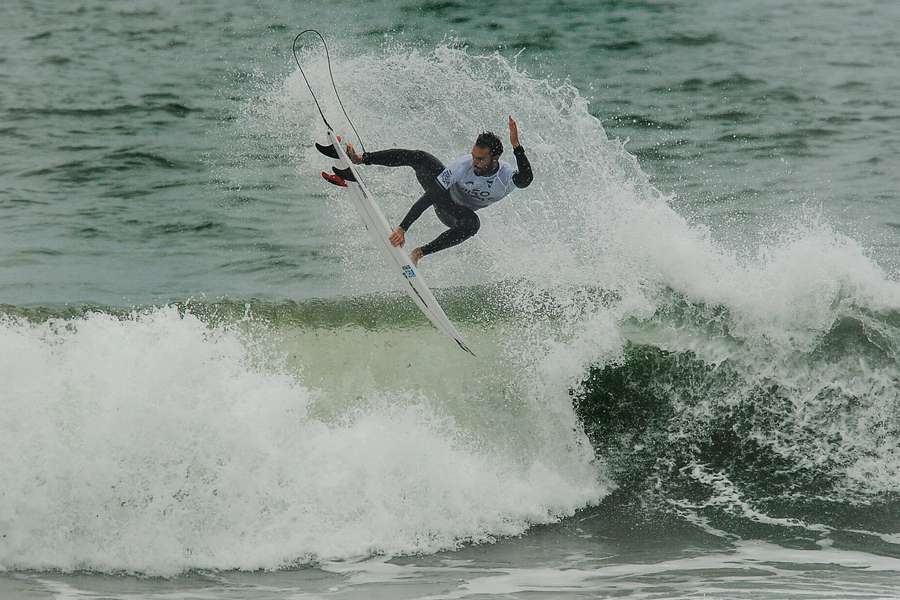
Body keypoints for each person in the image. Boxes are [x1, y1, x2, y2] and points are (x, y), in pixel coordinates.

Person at [345, 116, 533, 266]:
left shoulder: (505, 176)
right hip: (442, 197)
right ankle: (361, 158)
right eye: (474, 156)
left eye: (480, 159)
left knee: (473, 224)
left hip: (455, 214)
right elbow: (431, 196)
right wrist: (403, 228)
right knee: (420, 157)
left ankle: (419, 253)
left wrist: (516, 146)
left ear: (495, 158)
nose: (474, 162)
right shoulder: (462, 165)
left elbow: (526, 179)